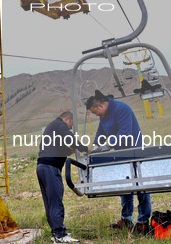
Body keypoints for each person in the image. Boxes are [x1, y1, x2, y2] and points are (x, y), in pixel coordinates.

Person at [86, 90, 152, 235]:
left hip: (135, 151)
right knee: (125, 185)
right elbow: (101, 133)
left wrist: (108, 145)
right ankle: (127, 219)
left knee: (141, 186)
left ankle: (143, 222)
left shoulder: (121, 109)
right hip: (120, 154)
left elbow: (125, 134)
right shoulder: (105, 115)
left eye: (95, 112)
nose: (95, 115)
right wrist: (96, 147)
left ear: (101, 106)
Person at [37, 111, 89, 243]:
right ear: (68, 119)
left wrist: (69, 150)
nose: (70, 128)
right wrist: (84, 148)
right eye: (70, 125)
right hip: (50, 168)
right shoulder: (60, 124)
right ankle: (60, 235)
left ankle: (56, 231)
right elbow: (69, 138)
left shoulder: (51, 127)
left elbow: (57, 147)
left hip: (42, 167)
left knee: (49, 202)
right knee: (55, 201)